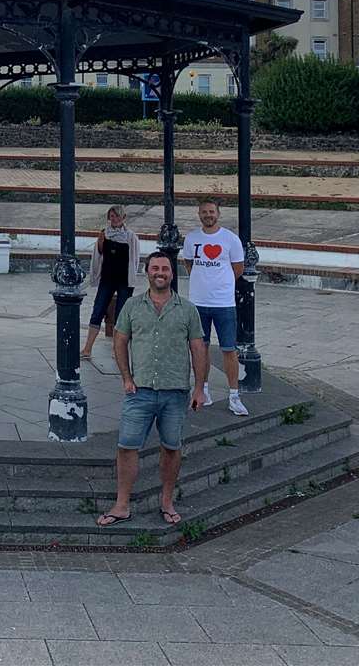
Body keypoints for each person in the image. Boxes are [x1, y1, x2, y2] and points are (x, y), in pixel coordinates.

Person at [95, 253, 206, 528]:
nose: (161, 272)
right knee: (126, 446)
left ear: (172, 273)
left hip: (175, 392)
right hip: (140, 391)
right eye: (155, 268)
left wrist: (199, 388)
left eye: (165, 268)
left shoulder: (187, 309)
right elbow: (120, 341)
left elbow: (198, 349)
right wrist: (126, 377)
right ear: (147, 272)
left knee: (171, 446)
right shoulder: (132, 306)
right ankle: (122, 505)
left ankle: (167, 501)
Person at [179, 198, 249, 416]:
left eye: (211, 211)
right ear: (199, 214)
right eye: (204, 212)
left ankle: (234, 395)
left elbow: (237, 268)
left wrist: (221, 284)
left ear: (218, 214)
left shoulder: (230, 239)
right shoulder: (192, 239)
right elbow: (189, 263)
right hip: (198, 302)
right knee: (201, 348)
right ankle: (203, 389)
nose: (208, 215)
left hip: (223, 303)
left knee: (229, 349)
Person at [83, 204, 138, 360]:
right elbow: (98, 254)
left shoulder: (130, 237)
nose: (114, 219)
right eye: (112, 216)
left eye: (117, 216)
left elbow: (134, 259)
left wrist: (132, 280)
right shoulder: (104, 234)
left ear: (123, 218)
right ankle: (87, 348)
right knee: (98, 310)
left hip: (124, 280)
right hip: (107, 278)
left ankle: (117, 350)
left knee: (121, 316)